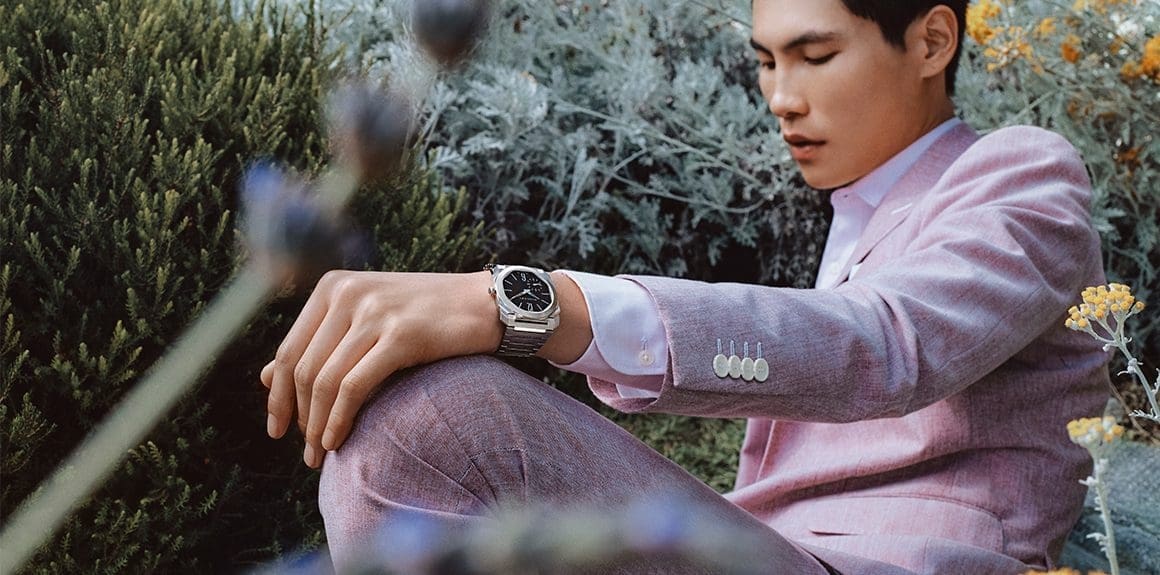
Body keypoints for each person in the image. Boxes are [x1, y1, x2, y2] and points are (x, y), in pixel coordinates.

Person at [260, 0, 1111, 572]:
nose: (781, 97)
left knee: (433, 418)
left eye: (815, 55)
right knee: (393, 418)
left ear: (931, 42)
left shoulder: (1023, 175)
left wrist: (530, 304)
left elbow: (885, 343)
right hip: (754, 545)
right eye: (766, 61)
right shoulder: (852, 218)